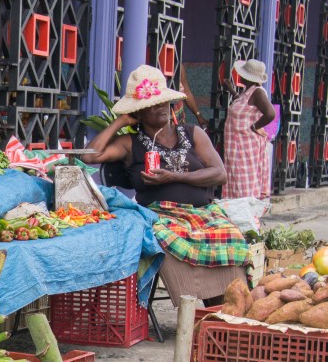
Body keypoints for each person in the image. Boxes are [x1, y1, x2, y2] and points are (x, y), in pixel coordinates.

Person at [81, 65, 249, 307]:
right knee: (169, 237)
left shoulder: (193, 134)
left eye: (163, 101)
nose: (160, 106)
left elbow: (219, 173)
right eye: (151, 104)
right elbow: (89, 157)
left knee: (230, 235)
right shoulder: (130, 142)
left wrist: (173, 177)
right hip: (161, 215)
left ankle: (225, 308)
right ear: (138, 113)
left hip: (203, 212)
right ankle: (191, 308)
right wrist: (120, 122)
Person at [221, 59, 276, 199]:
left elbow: (270, 113)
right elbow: (243, 105)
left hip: (246, 147)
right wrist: (232, 90)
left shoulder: (258, 92)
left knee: (243, 182)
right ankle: (238, 215)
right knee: (235, 180)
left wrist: (254, 126)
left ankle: (248, 215)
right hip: (236, 147)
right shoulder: (249, 92)